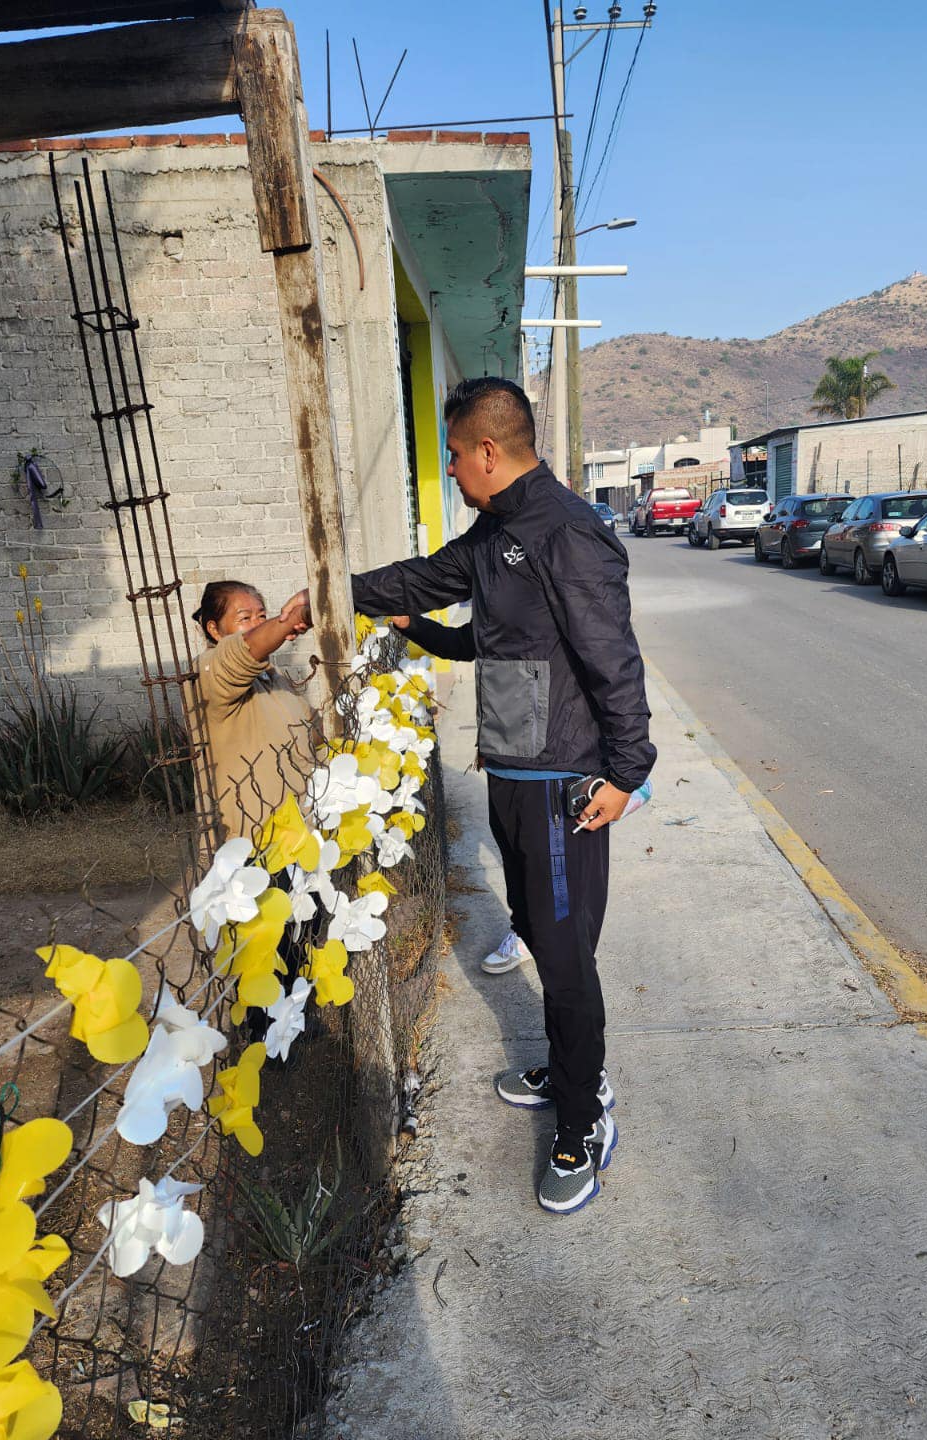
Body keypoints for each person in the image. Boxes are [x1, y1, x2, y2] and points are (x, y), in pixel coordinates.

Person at [285, 377, 656, 1215]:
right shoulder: (496, 534)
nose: (450, 468)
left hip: (567, 782)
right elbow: (430, 587)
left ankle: (583, 1111)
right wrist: (334, 599)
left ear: (489, 451)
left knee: (564, 964)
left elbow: (612, 657)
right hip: (513, 773)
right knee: (532, 928)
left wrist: (628, 774)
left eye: (454, 453)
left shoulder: (566, 533)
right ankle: (567, 1067)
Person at [391, 610, 533, 979]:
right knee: (515, 855)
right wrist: (413, 624)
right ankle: (527, 931)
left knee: (550, 863)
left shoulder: (568, 599)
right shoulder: (502, 599)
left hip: (559, 763)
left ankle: (554, 942)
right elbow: (460, 643)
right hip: (505, 757)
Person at [186, 580, 313, 843]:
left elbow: (313, 730)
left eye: (262, 616)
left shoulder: (271, 677)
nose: (257, 624)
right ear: (214, 629)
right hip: (248, 842)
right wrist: (296, 617)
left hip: (296, 836)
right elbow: (242, 651)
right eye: (245, 618)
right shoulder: (208, 672)